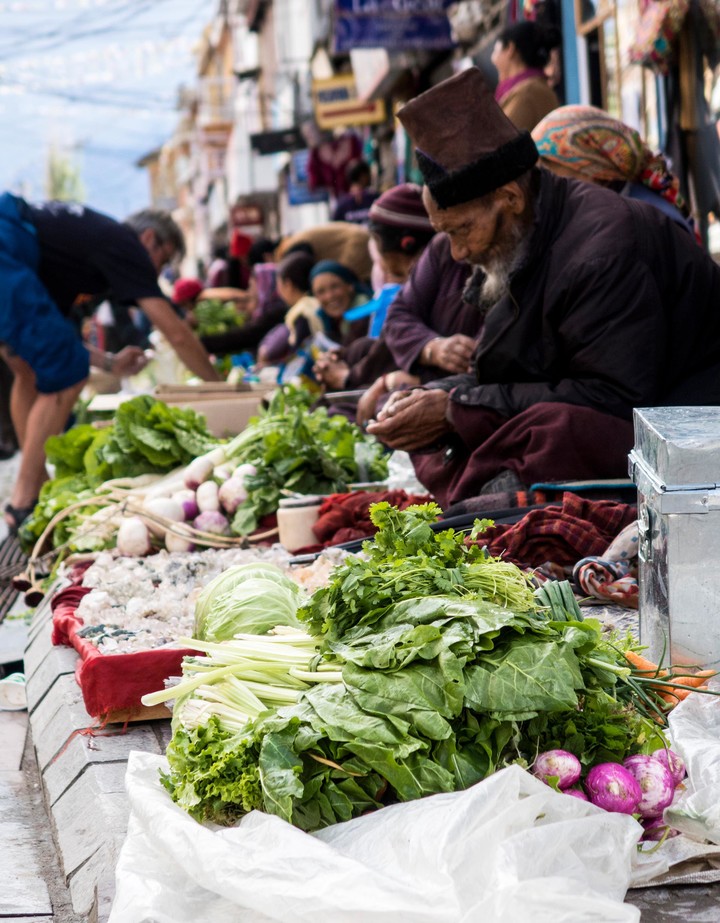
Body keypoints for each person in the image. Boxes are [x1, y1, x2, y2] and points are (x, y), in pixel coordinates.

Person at [365, 67, 720, 509]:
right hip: (638, 416)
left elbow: (612, 399)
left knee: (548, 431)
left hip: (689, 433)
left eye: (460, 231)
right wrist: (442, 396)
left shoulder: (601, 249)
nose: (456, 254)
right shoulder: (530, 236)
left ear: (510, 199)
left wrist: (458, 408)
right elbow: (517, 369)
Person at [0, 195, 220, 532]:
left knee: (28, 368)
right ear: (149, 238)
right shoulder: (125, 242)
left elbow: (57, 342)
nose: (154, 272)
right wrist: (220, 388)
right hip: (7, 241)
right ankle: (23, 503)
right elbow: (175, 332)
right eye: (161, 261)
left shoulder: (79, 249)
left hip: (12, 245)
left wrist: (110, 362)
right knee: (66, 373)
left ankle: (36, 487)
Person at [531, 105, 697, 236]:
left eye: (553, 174)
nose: (547, 189)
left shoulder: (648, 221)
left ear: (596, 171)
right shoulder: (614, 212)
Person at [491, 21, 561, 131]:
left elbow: (498, 141)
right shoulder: (533, 87)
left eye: (495, 51)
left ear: (510, 49)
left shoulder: (527, 93)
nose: (493, 59)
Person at [331, 160, 379, 224]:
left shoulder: (341, 204)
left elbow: (334, 228)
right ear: (363, 176)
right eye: (369, 174)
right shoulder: (375, 199)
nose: (371, 177)